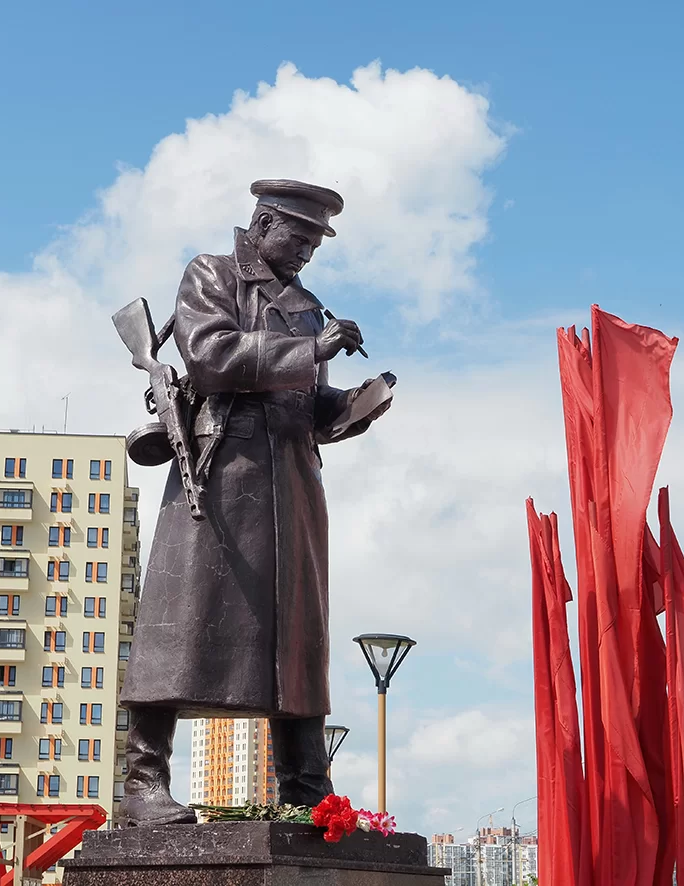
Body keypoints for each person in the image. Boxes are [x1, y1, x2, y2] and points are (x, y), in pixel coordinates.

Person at [119, 179, 392, 826]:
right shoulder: (212, 273)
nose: (306, 252)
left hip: (292, 479)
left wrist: (354, 406)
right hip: (223, 472)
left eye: (314, 244)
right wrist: (311, 349)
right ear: (264, 223)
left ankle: (306, 789)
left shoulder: (307, 306)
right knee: (182, 622)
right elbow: (210, 357)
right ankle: (143, 783)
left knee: (298, 636)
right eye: (298, 237)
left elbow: (307, 402)